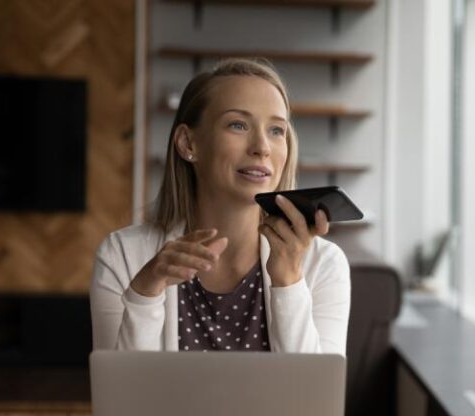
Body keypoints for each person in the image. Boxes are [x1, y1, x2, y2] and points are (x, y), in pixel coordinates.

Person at [90, 59, 351, 355]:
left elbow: (315, 397)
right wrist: (145, 293)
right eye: (238, 125)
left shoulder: (325, 265)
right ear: (189, 143)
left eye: (277, 130)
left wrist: (288, 281)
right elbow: (122, 396)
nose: (262, 147)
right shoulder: (122, 256)